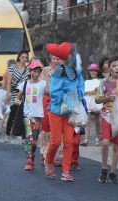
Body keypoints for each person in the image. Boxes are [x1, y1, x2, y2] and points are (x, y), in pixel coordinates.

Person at [44, 42, 85, 182]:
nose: (73, 57)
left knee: (69, 142)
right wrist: (66, 93)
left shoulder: (76, 73)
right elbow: (53, 93)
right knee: (55, 142)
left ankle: (65, 171)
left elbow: (81, 88)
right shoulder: (58, 71)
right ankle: (48, 161)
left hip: (69, 113)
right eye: (71, 54)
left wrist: (77, 93)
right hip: (56, 111)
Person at [14, 61, 48, 170]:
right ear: (30, 71)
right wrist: (16, 101)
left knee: (34, 141)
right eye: (34, 71)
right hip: (26, 115)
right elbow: (18, 97)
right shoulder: (24, 84)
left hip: (38, 115)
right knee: (29, 138)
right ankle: (28, 160)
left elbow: (48, 91)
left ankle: (32, 155)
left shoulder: (42, 84)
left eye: (38, 72)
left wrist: (46, 76)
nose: (36, 74)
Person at [39, 55, 64, 166]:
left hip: (60, 102)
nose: (55, 61)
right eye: (54, 58)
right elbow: (43, 88)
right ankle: (45, 153)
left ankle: (56, 155)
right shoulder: (45, 70)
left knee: (58, 129)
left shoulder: (65, 71)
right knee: (45, 127)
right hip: (47, 99)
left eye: (58, 59)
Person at [5, 50, 29, 144]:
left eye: (26, 57)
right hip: (15, 94)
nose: (24, 59)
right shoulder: (13, 67)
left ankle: (23, 137)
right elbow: (8, 83)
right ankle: (7, 135)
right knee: (13, 114)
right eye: (23, 57)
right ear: (19, 57)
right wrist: (8, 95)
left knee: (24, 114)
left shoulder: (28, 69)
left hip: (24, 95)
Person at [80, 63, 104, 146]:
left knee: (97, 122)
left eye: (94, 71)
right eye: (91, 71)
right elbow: (82, 92)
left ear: (97, 72)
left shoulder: (100, 82)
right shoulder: (86, 82)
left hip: (96, 102)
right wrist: (91, 92)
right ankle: (86, 139)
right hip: (88, 103)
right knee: (87, 121)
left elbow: (102, 92)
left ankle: (97, 139)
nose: (93, 72)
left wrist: (97, 91)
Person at [0, 59, 16, 139]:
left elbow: (3, 86)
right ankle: (10, 133)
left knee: (3, 114)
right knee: (13, 114)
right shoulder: (16, 75)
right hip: (14, 95)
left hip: (6, 95)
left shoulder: (5, 74)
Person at [71, 98, 88, 170]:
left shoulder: (82, 100)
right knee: (68, 143)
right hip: (69, 124)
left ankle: (74, 160)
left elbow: (85, 111)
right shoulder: (68, 98)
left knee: (76, 143)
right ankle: (68, 160)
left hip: (78, 125)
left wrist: (83, 120)